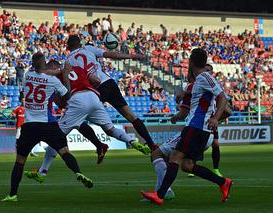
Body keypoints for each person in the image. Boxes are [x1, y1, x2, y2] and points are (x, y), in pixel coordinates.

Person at [25, 36, 148, 182]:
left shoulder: (55, 76)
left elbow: (62, 99)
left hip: (78, 100)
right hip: (94, 97)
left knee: (56, 138)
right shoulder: (78, 66)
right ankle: (132, 141)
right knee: (109, 128)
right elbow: (96, 79)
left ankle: (42, 172)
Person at [141, 48, 233, 205]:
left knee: (175, 157)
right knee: (187, 165)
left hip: (196, 127)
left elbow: (222, 97)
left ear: (191, 62)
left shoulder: (204, 77)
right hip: (197, 127)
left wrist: (216, 118)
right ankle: (223, 182)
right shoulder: (199, 81)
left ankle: (160, 195)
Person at [1, 52, 93, 202]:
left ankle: (12, 195)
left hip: (29, 125)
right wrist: (65, 73)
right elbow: (66, 95)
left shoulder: (27, 75)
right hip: (48, 125)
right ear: (44, 64)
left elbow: (39, 69)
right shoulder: (52, 81)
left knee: (20, 161)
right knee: (64, 152)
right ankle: (77, 172)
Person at [84, 39, 158, 152]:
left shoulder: (78, 54)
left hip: (97, 89)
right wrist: (131, 56)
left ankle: (99, 145)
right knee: (132, 116)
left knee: (79, 116)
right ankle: (152, 144)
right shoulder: (90, 51)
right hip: (109, 83)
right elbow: (112, 54)